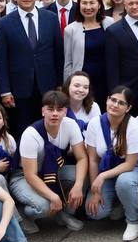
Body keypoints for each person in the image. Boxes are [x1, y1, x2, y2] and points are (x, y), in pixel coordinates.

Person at [9, 90, 88, 233]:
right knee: (43, 207)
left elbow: (82, 158)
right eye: (50, 109)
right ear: (43, 111)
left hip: (53, 171)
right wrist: (53, 196)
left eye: (59, 109)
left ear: (65, 111)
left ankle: (64, 213)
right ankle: (22, 214)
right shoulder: (31, 134)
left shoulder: (71, 125)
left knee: (80, 175)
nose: (55, 114)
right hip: (23, 177)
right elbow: (30, 175)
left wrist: (78, 185)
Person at [0, 0, 64, 136]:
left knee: (47, 128)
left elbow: (58, 54)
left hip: (47, 85)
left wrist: (59, 83)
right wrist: (5, 91)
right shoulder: (4, 23)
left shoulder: (51, 18)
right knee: (22, 129)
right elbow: (1, 60)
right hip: (19, 88)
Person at [83, 85, 138, 241]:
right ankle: (122, 201)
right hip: (109, 170)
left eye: (121, 103)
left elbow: (130, 164)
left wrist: (102, 176)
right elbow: (93, 159)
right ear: (107, 100)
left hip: (136, 169)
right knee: (94, 212)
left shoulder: (133, 126)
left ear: (128, 108)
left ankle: (133, 221)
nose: (115, 105)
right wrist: (96, 191)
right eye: (113, 100)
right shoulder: (95, 123)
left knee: (124, 181)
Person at [62, 0, 114, 99]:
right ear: (79, 5)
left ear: (99, 5)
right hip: (83, 82)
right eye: (84, 3)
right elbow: (68, 63)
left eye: (92, 3)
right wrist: (67, 88)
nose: (88, 7)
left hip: (107, 79)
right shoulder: (70, 30)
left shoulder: (109, 22)